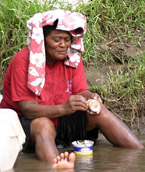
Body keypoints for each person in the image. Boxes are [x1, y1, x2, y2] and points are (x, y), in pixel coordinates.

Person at [0, 9, 144, 169]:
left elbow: (80, 90)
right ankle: (59, 166)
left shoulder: (72, 58)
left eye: (67, 40)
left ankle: (139, 152)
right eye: (57, 40)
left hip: (60, 119)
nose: (63, 45)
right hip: (27, 126)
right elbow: (28, 110)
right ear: (42, 40)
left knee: (100, 112)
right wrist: (64, 108)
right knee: (43, 125)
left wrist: (92, 97)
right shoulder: (22, 62)